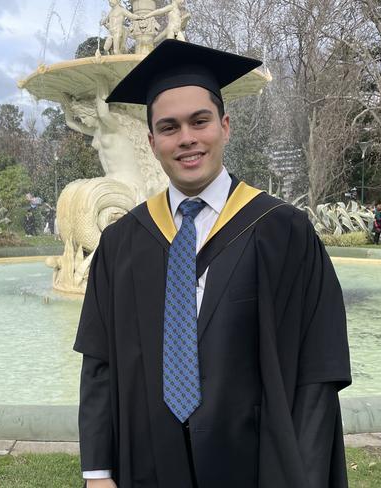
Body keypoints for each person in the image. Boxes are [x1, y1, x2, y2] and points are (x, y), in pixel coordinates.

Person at [74, 40, 352, 488]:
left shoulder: (284, 231)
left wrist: (307, 472)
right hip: (147, 463)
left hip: (258, 463)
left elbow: (319, 368)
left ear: (225, 126)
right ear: (151, 141)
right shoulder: (122, 242)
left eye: (199, 121)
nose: (186, 138)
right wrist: (98, 473)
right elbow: (99, 364)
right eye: (169, 127)